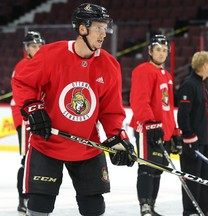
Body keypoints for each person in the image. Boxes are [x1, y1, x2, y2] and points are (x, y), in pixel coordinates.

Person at [11, 3, 136, 216]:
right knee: (39, 205)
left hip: (87, 145)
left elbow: (111, 111)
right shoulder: (51, 54)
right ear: (82, 29)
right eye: (98, 28)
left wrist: (118, 137)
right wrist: (32, 107)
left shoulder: (110, 65)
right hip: (47, 142)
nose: (103, 34)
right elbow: (23, 83)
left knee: (94, 207)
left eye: (105, 28)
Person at [129, 34, 183, 216]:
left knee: (158, 170)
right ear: (150, 51)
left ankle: (151, 207)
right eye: (158, 50)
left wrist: (174, 131)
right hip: (147, 128)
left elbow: (167, 107)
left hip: (163, 129)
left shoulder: (166, 75)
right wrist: (150, 122)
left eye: (164, 50)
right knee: (146, 167)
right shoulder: (143, 70)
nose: (161, 53)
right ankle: (144, 207)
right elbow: (139, 100)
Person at [177, 51, 208, 216]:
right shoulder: (189, 84)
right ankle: (190, 211)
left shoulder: (203, 85)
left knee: (206, 178)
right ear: (204, 65)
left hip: (205, 141)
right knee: (192, 178)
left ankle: (203, 210)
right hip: (193, 143)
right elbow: (183, 114)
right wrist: (188, 135)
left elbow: (205, 115)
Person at [10, 31, 45, 215]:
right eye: (33, 46)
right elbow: (20, 98)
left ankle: (36, 196)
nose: (37, 49)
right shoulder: (22, 66)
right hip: (25, 121)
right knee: (27, 161)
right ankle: (23, 199)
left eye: (39, 46)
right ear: (26, 48)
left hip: (41, 118)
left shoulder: (46, 63)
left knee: (40, 161)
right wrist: (23, 122)